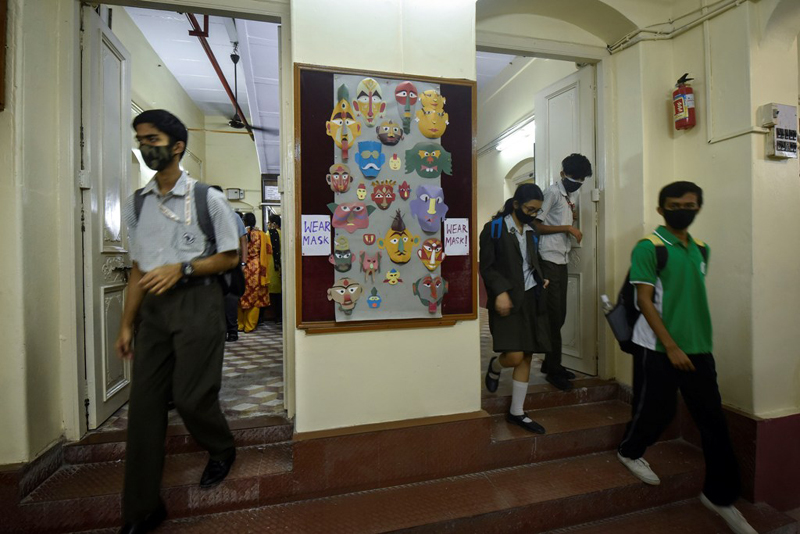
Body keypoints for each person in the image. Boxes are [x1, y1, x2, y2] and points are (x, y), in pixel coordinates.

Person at [115, 110, 238, 534]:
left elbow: (230, 256)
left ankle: (221, 446)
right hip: (153, 310)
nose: (146, 145)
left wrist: (183, 270)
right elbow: (136, 268)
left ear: (177, 146)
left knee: (191, 396)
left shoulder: (207, 199)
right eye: (141, 138)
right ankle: (141, 509)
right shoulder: (137, 204)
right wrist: (127, 324)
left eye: (152, 139)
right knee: (144, 410)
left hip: (197, 304)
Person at [616, 181, 756, 534]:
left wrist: (692, 344)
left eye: (691, 205)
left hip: (699, 349)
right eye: (676, 204)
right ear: (662, 209)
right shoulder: (649, 247)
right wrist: (672, 346)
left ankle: (719, 497)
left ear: (698, 208)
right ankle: (630, 451)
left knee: (714, 423)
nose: (684, 209)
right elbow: (644, 301)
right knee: (657, 412)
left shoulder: (701, 249)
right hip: (658, 348)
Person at [481, 184, 550, 434]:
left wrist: (540, 276)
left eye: (536, 211)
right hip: (507, 299)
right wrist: (499, 292)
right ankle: (496, 366)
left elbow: (532, 260)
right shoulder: (494, 229)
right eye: (530, 209)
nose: (533, 215)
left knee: (528, 354)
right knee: (514, 355)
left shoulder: (531, 231)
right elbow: (487, 267)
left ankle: (517, 412)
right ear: (516, 205)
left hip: (531, 298)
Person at [533, 153, 593, 391]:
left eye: (581, 179)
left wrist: (571, 217)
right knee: (554, 316)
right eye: (574, 177)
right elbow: (536, 225)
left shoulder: (569, 196)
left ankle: (551, 363)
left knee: (559, 314)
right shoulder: (552, 192)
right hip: (548, 259)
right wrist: (567, 227)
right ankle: (553, 369)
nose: (577, 182)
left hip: (561, 259)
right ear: (562, 174)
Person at [211, 193, 248, 342]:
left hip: (229, 263)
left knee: (230, 297)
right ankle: (225, 330)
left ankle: (231, 330)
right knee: (220, 298)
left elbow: (243, 240)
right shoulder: (207, 216)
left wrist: (243, 263)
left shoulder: (233, 217)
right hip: (211, 264)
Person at [238, 212, 270, 332]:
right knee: (255, 298)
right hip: (257, 268)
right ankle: (249, 326)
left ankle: (240, 325)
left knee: (241, 295)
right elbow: (268, 250)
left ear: (244, 221)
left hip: (243, 267)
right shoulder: (261, 234)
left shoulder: (241, 233)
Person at [267, 213, 282, 324]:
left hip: (273, 264)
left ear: (274, 224)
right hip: (281, 263)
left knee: (274, 292)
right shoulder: (283, 233)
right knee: (280, 291)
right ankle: (280, 316)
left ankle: (276, 315)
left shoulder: (271, 233)